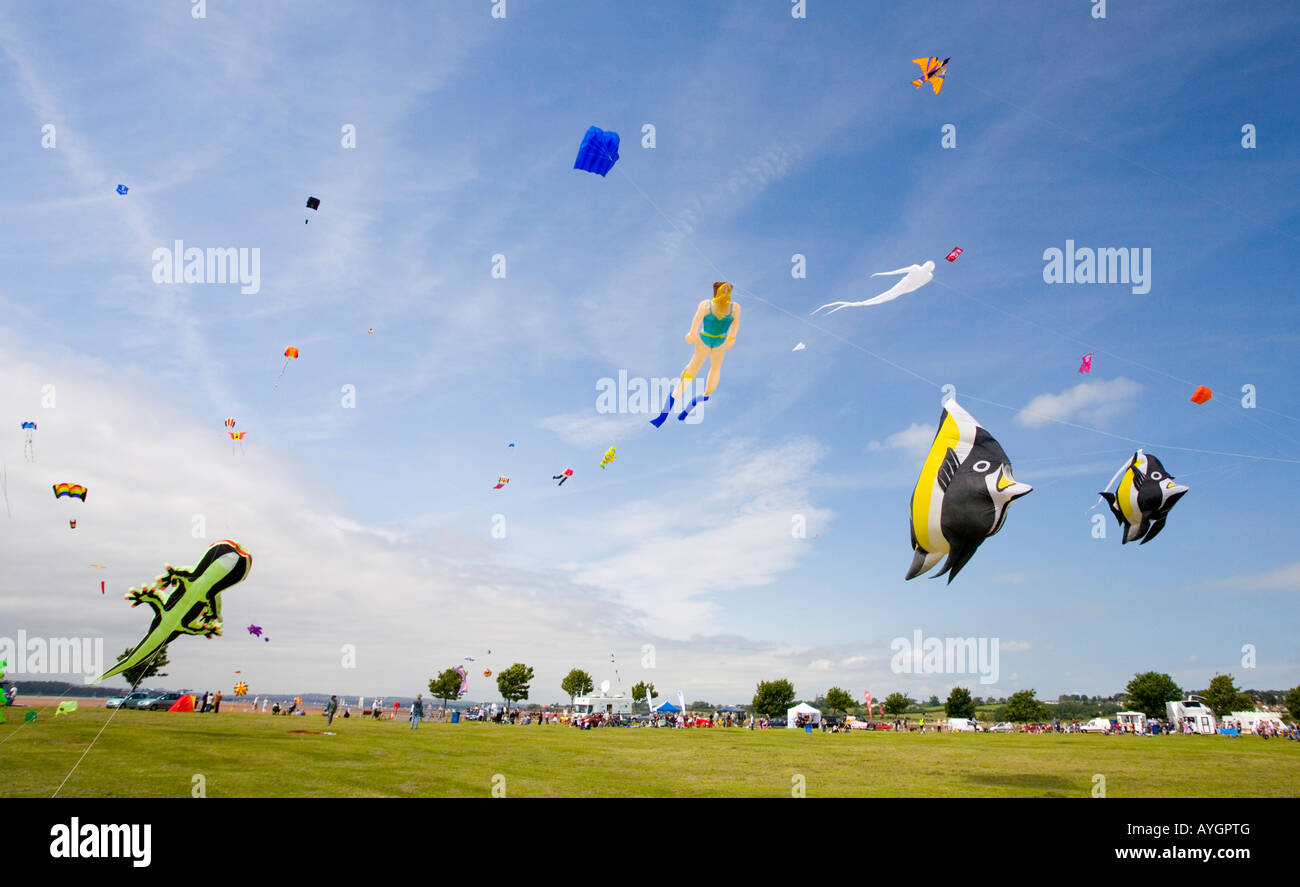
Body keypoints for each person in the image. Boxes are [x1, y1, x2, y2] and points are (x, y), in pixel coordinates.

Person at [650, 282, 741, 425]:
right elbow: (698, 320)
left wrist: (731, 338)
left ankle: (696, 400)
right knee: (695, 370)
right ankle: (667, 412)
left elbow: (735, 325)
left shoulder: (729, 307)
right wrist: (692, 334)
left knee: (708, 369)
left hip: (715, 342)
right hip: (709, 341)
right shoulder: (717, 306)